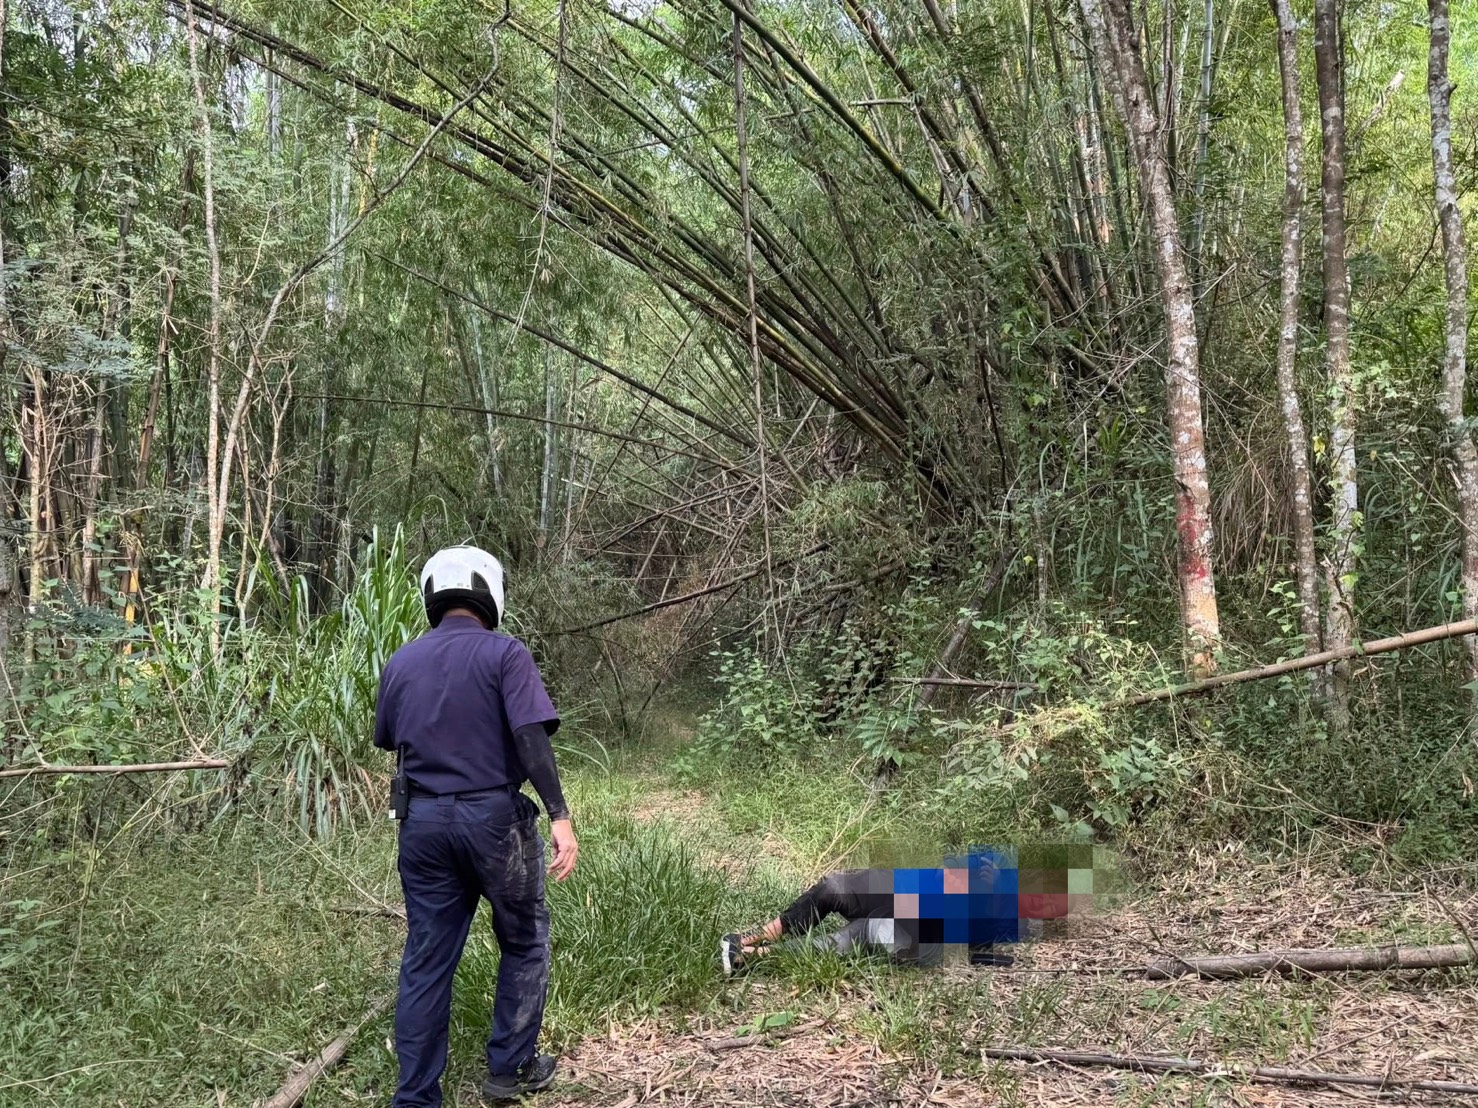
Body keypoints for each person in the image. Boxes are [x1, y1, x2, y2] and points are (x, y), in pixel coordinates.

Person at [374, 545, 578, 1106]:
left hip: (422, 824)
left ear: (431, 597)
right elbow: (530, 736)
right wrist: (560, 815)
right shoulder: (505, 654)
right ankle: (509, 1071)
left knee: (427, 956)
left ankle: (415, 1095)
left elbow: (389, 738)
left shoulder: (401, 661)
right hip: (494, 821)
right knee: (524, 940)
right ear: (490, 594)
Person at [721, 848, 1078, 975]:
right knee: (833, 887)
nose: (1042, 900)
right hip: (914, 895)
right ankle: (753, 938)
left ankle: (752, 958)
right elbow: (948, 867)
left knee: (853, 936)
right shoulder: (999, 865)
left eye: (1051, 905)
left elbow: (979, 951)